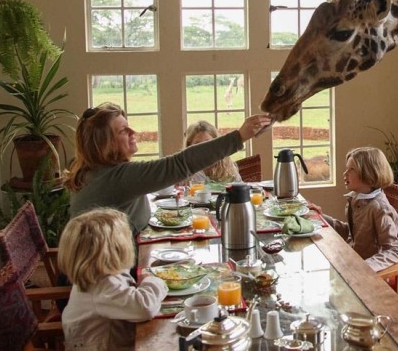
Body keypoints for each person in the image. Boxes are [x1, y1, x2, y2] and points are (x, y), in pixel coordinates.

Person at [63, 102, 271, 234]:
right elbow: (179, 164)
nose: (133, 131)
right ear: (105, 142)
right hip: (110, 281)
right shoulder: (118, 178)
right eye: (123, 131)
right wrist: (240, 136)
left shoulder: (95, 171)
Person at [57, 208, 168, 351]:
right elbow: (144, 308)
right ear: (117, 249)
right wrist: (154, 281)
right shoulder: (103, 286)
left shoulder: (95, 274)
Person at [308, 147, 398, 271]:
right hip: (352, 263)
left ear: (369, 173)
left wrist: (364, 267)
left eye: (351, 170)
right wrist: (320, 217)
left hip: (372, 275)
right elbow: (352, 233)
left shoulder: (380, 209)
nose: (345, 173)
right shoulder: (356, 199)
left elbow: (393, 251)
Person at [184, 120, 242, 184]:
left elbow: (240, 186)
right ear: (189, 146)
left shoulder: (227, 164)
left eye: (208, 143)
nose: (203, 149)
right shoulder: (184, 168)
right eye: (197, 144)